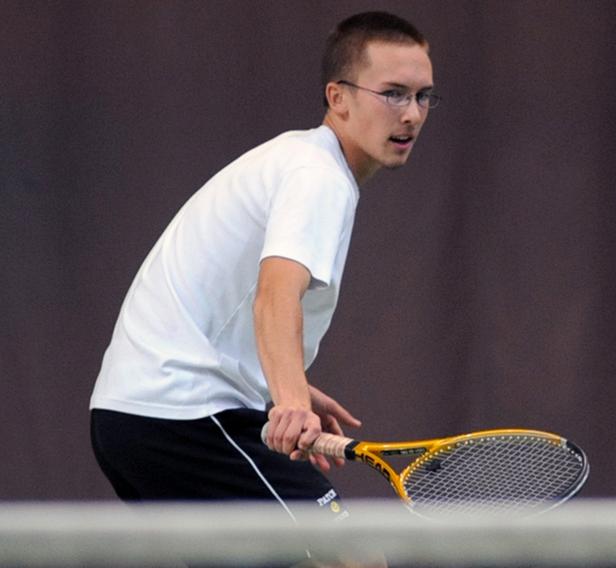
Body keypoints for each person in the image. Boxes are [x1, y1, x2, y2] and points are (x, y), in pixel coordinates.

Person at [89, 11, 438, 524]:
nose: (410, 114)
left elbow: (227, 300)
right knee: (350, 557)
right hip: (184, 414)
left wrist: (279, 384)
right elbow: (275, 295)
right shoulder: (318, 176)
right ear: (337, 97)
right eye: (392, 93)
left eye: (422, 95)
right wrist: (290, 402)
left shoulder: (298, 161)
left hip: (133, 417)